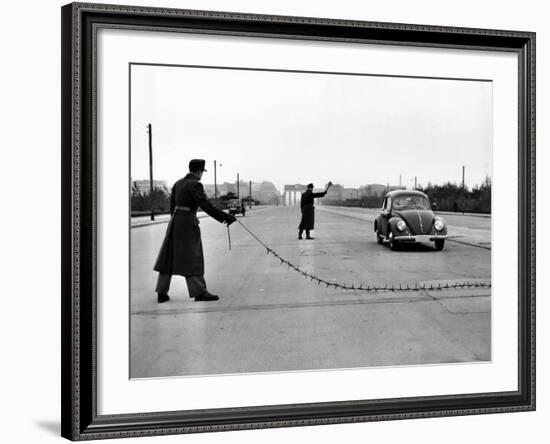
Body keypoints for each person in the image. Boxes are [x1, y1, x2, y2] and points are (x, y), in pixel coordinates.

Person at [153, 159, 236, 303]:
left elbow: (172, 206)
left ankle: (161, 293)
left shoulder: (178, 183)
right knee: (193, 256)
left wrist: (175, 221)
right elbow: (205, 204)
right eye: (202, 172)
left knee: (168, 256)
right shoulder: (195, 184)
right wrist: (224, 217)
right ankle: (199, 292)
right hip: (187, 222)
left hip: (175, 222)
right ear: (199, 171)